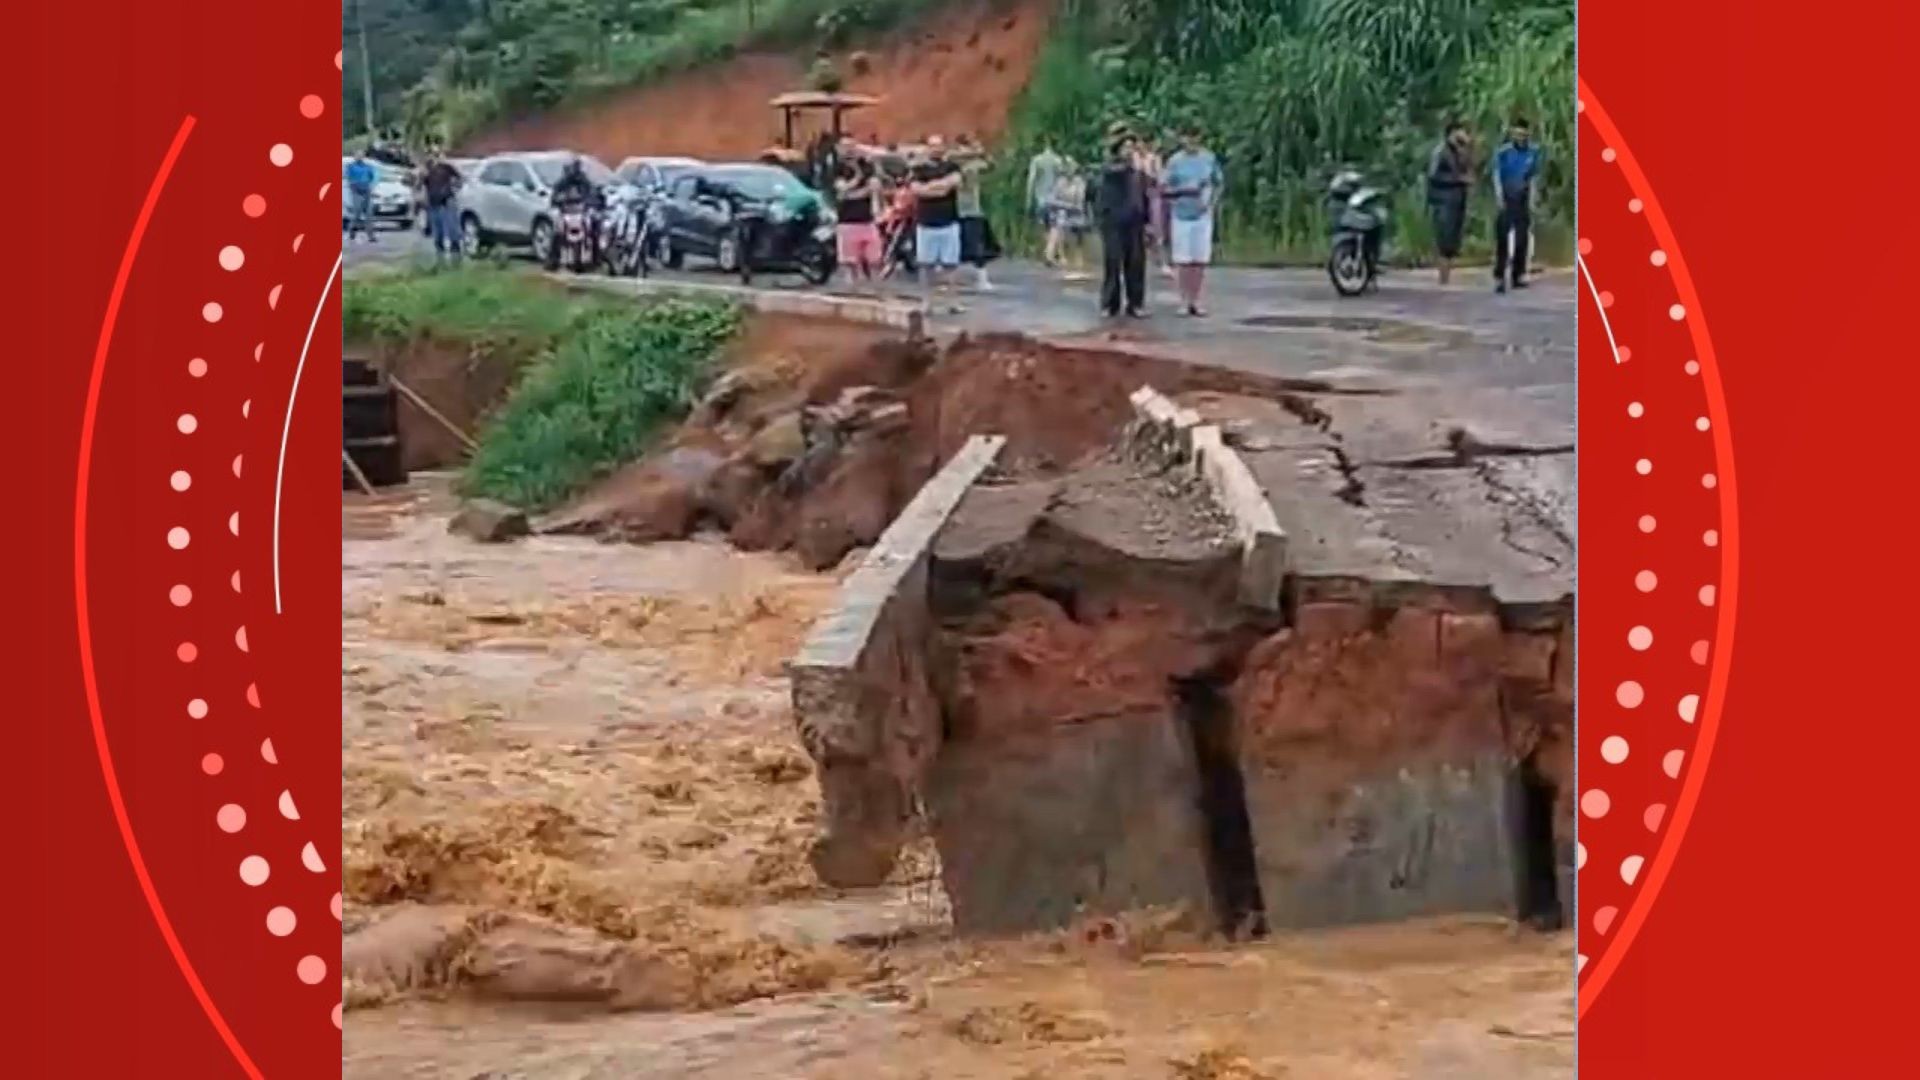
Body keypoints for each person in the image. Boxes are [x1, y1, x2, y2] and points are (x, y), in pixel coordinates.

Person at [1163, 126, 1224, 317]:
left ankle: (1196, 300)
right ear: (1182, 139)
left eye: (1194, 137)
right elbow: (1164, 187)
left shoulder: (1208, 158)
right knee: (1183, 261)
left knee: (1199, 260)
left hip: (1202, 214)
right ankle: (1183, 300)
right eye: (1187, 138)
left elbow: (1218, 182)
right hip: (1182, 214)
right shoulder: (1175, 161)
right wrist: (1181, 194)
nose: (1191, 142)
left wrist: (1211, 203)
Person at [1094, 132, 1150, 318]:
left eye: (1132, 147)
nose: (1130, 150)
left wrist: (1147, 221)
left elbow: (1144, 196)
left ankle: (1135, 303)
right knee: (1113, 262)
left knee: (1135, 263)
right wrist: (1131, 163)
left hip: (1134, 222)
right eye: (1126, 147)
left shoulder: (1137, 172)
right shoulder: (1112, 168)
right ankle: (1110, 303)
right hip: (1113, 222)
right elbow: (1113, 172)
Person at [909, 135, 965, 301]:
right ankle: (927, 301)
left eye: (939, 146)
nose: (936, 149)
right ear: (927, 148)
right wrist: (940, 186)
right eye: (933, 146)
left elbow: (953, 183)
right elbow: (917, 190)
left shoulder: (952, 166)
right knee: (926, 266)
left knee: (951, 265)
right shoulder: (918, 169)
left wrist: (930, 187)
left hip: (949, 222)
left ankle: (953, 301)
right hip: (926, 223)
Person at [1491, 116, 1541, 293]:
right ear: (1512, 133)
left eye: (1523, 133)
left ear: (1527, 133)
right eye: (1516, 133)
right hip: (1506, 196)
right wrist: (1499, 197)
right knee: (1503, 239)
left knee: (1522, 238)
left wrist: (1533, 200)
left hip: (1523, 197)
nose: (1519, 137)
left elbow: (1534, 177)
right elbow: (1497, 175)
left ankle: (1518, 274)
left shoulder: (1533, 152)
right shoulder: (1504, 152)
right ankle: (1499, 276)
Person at [1426, 121, 1472, 285]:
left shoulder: (1459, 152)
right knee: (1445, 237)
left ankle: (1447, 275)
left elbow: (1468, 168)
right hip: (1444, 199)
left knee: (1454, 237)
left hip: (1457, 199)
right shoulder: (1441, 152)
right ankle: (1443, 277)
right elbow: (1433, 176)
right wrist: (1458, 179)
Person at [954, 133, 999, 291]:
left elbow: (991, 165)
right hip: (957, 209)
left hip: (972, 210)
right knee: (956, 248)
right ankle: (954, 281)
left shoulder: (973, 164)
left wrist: (980, 152)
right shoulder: (954, 161)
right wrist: (975, 151)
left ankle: (981, 279)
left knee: (977, 247)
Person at [835, 153, 882, 285]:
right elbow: (842, 192)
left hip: (868, 220)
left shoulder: (867, 169)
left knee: (874, 259)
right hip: (848, 221)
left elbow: (876, 190)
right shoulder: (838, 169)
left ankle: (873, 288)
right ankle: (853, 289)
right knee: (850, 262)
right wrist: (858, 178)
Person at [419, 152, 463, 264]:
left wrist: (454, 188)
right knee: (437, 227)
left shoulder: (446, 167)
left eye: (433, 156)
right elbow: (421, 186)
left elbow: (460, 178)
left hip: (447, 200)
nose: (431, 159)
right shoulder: (426, 171)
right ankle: (440, 249)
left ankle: (455, 247)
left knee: (451, 224)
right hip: (433, 202)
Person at [1026, 141, 1065, 233]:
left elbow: (1031, 180)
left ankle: (1046, 244)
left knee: (1042, 224)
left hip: (1041, 198)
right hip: (1055, 198)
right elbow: (1062, 179)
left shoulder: (1036, 160)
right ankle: (1053, 245)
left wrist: (1028, 200)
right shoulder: (1058, 160)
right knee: (1055, 226)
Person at [345, 153, 377, 243]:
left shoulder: (367, 166)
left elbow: (371, 176)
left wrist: (369, 185)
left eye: (361, 155)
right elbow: (349, 177)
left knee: (369, 213)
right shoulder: (350, 166)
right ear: (354, 157)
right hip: (356, 190)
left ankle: (371, 235)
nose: (359, 157)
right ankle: (352, 231)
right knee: (357, 213)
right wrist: (353, 185)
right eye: (357, 155)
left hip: (366, 190)